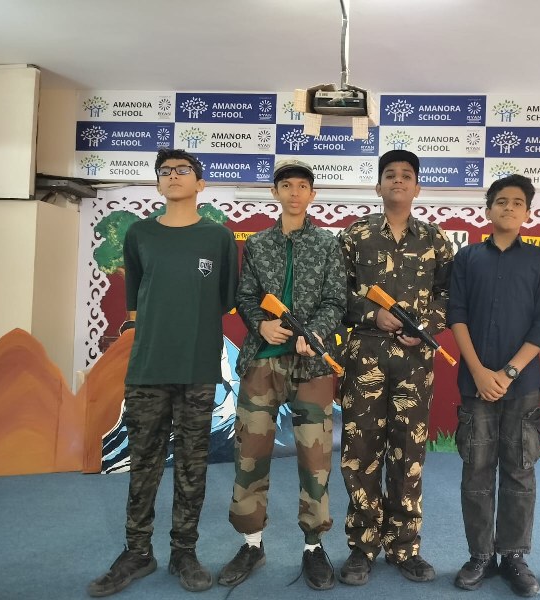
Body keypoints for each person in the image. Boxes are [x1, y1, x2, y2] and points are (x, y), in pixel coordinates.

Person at [87, 149, 238, 597]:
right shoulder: (140, 234)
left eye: (182, 170)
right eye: (165, 171)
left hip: (197, 367)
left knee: (192, 465)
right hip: (148, 368)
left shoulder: (218, 237)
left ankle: (183, 552)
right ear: (157, 183)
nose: (173, 176)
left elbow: (225, 298)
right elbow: (136, 299)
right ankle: (137, 552)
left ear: (200, 184)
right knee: (144, 465)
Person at [218, 159, 346, 591]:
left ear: (313, 195)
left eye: (302, 186)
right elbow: (245, 296)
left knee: (315, 459)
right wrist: (262, 325)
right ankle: (251, 544)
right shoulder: (257, 243)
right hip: (262, 362)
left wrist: (317, 333)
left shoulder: (327, 244)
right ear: (275, 193)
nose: (295, 193)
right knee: (250, 455)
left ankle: (313, 547)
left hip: (312, 365)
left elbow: (336, 300)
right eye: (287, 185)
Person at [336, 150, 454, 586]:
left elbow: (449, 296)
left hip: (415, 362)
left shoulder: (435, 239)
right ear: (379, 186)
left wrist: (427, 327)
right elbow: (337, 294)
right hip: (365, 354)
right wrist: (373, 314)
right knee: (361, 451)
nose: (398, 181)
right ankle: (363, 545)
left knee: (409, 453)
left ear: (417, 187)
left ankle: (404, 546)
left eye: (406, 175)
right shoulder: (356, 235)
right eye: (390, 175)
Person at [448, 175, 540, 597]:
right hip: (475, 382)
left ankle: (514, 555)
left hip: (523, 384)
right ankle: (480, 555)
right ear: (488, 209)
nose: (508, 207)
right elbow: (456, 315)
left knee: (520, 469)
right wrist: (479, 372)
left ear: (527, 212)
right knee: (476, 469)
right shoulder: (467, 258)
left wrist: (509, 372)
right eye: (500, 201)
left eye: (517, 202)